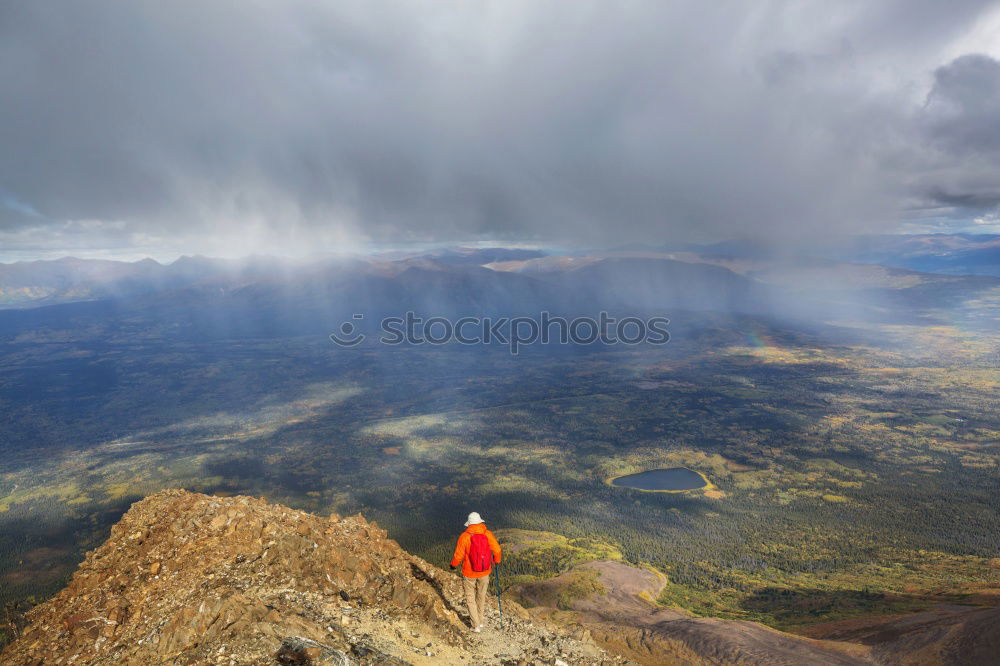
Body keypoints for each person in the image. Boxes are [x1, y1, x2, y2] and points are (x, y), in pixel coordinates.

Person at [450, 511, 502, 632]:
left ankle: (476, 625)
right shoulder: (487, 534)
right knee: (481, 596)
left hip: (469, 573)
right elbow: (498, 550)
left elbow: (458, 556)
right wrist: (496, 561)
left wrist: (453, 565)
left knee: (470, 598)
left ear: (469, 524)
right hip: (485, 571)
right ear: (480, 522)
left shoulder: (465, 536)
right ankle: (481, 621)